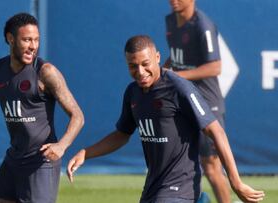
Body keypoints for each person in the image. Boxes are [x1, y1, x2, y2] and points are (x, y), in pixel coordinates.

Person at [67, 35, 264, 203]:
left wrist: (235, 181)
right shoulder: (133, 92)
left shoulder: (179, 88)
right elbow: (122, 134)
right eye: (133, 66)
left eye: (145, 64)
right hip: (153, 187)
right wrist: (86, 153)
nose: (141, 72)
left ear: (158, 57)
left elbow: (215, 130)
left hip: (180, 187)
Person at [0, 13, 84, 203]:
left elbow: (78, 116)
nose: (33, 46)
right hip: (13, 159)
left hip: (41, 162)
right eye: (27, 40)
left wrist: (62, 145)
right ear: (10, 39)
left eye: (37, 40)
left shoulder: (46, 72)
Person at [164, 0, 230, 202]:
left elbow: (215, 67)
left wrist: (177, 76)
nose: (174, 0)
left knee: (211, 167)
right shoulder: (170, 21)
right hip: (183, 101)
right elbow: (176, 57)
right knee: (185, 164)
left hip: (207, 103)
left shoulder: (203, 25)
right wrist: (160, 72)